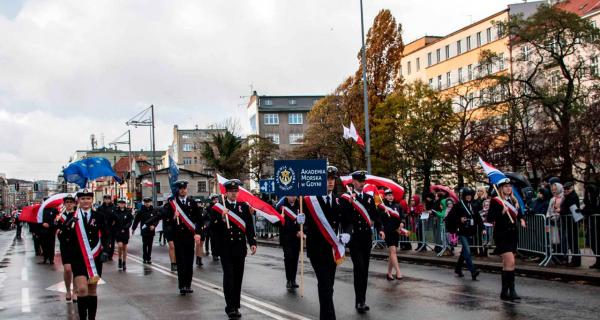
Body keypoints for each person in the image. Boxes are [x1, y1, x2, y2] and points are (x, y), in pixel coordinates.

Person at [300, 166, 352, 320]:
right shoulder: (309, 200)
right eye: (327, 179)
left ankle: (325, 316)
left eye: (332, 179)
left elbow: (348, 222)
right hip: (317, 249)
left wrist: (347, 234)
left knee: (329, 286)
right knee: (325, 285)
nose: (330, 182)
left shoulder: (339, 200)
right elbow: (304, 221)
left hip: (332, 250)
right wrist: (300, 221)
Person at [210, 179, 257, 319]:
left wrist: (252, 242)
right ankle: (230, 307)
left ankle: (236, 305)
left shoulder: (243, 207)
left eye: (236, 191)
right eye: (231, 191)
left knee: (238, 278)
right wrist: (222, 219)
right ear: (226, 192)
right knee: (229, 277)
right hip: (226, 249)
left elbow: (249, 227)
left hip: (240, 248)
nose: (234, 194)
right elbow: (212, 229)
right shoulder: (218, 208)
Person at [149, 180, 203, 295]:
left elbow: (198, 220)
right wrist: (174, 217)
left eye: (184, 188)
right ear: (178, 190)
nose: (183, 190)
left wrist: (198, 233)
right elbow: (166, 221)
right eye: (181, 188)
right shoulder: (172, 204)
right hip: (178, 237)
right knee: (181, 262)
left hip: (189, 237)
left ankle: (188, 285)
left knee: (189, 262)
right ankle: (182, 285)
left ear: (186, 189)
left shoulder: (192, 203)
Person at [63, 189, 110, 319]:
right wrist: (68, 224)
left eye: (88, 198)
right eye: (83, 199)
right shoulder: (72, 216)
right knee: (82, 289)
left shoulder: (99, 216)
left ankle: (92, 318)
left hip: (95, 258)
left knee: (92, 290)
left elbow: (106, 235)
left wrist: (105, 250)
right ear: (78, 200)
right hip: (78, 258)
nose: (85, 201)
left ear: (92, 200)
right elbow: (63, 237)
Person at [342, 170, 382, 314]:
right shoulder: (347, 198)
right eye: (359, 181)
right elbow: (344, 217)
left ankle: (362, 300)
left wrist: (380, 228)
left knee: (364, 270)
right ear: (353, 182)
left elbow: (375, 215)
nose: (362, 183)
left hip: (366, 238)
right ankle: (358, 301)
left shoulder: (368, 198)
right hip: (354, 239)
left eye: (363, 181)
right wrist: (350, 203)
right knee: (358, 268)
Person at [487, 179, 527, 301]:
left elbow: (518, 214)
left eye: (510, 186)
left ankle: (504, 292)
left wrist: (521, 219)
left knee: (506, 264)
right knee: (511, 262)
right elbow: (490, 218)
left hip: (512, 235)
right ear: (501, 188)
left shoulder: (513, 200)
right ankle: (512, 290)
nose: (509, 188)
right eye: (506, 186)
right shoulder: (496, 201)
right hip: (501, 235)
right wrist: (501, 212)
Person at [449, 187, 481, 280]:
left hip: (470, 231)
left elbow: (478, 218)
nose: (468, 197)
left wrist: (482, 228)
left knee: (464, 252)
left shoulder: (473, 205)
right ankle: (473, 271)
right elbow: (451, 217)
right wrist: (459, 219)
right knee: (467, 251)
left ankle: (458, 269)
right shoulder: (458, 205)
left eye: (470, 195)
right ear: (464, 196)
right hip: (462, 231)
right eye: (467, 195)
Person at [378, 188, 405, 280]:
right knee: (393, 251)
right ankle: (398, 272)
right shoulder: (381, 206)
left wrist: (402, 223)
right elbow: (379, 220)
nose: (390, 197)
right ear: (385, 196)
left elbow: (402, 217)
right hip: (387, 231)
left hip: (396, 231)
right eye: (388, 195)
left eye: (391, 195)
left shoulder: (397, 206)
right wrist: (384, 213)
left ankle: (389, 273)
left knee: (391, 253)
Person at [276, 196, 302, 290]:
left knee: (295, 259)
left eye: (294, 195)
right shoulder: (281, 206)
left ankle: (293, 280)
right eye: (291, 195)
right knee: (288, 258)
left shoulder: (300, 205)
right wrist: (280, 219)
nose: (293, 197)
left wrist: (302, 231)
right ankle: (288, 280)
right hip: (286, 237)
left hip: (296, 237)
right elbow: (274, 222)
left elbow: (304, 222)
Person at [55, 194, 78, 302]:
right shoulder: (61, 217)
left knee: (76, 269)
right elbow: (58, 231)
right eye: (67, 202)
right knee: (68, 269)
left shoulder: (77, 215)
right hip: (65, 245)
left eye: (71, 202)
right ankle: (68, 290)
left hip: (76, 245)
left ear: (74, 203)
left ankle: (75, 292)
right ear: (64, 204)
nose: (69, 204)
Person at [561, 182, 581, 267]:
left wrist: (561, 211)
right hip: (570, 222)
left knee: (573, 242)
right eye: (564, 189)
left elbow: (571, 210)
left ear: (572, 188)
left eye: (567, 189)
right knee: (572, 242)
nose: (565, 190)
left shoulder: (572, 196)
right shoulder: (569, 196)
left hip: (572, 222)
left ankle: (576, 261)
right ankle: (575, 260)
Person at [132, 197, 158, 264]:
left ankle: (149, 258)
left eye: (148, 202)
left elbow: (156, 219)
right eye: (146, 202)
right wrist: (133, 228)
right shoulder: (141, 211)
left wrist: (154, 225)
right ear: (144, 203)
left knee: (150, 245)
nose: (147, 203)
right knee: (145, 244)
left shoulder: (153, 210)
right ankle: (144, 258)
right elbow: (136, 220)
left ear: (150, 202)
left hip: (151, 230)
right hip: (144, 230)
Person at [112, 199, 133, 270]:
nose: (122, 204)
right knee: (120, 246)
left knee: (125, 247)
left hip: (125, 231)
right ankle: (119, 259)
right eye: (120, 203)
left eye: (123, 203)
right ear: (118, 204)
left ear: (125, 204)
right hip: (118, 231)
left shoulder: (128, 212)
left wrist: (126, 227)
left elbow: (130, 221)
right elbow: (112, 221)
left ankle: (124, 262)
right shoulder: (115, 212)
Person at [582, 184, 599, 269]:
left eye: (589, 192)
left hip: (597, 223)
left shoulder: (597, 199)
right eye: (587, 192)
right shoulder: (588, 200)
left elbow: (595, 209)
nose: (588, 194)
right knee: (591, 241)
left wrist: (586, 211)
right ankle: (598, 260)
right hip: (591, 223)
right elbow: (587, 208)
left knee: (596, 242)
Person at [40, 198, 59, 264]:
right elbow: (37, 219)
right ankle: (45, 258)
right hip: (43, 230)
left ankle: (51, 259)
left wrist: (50, 225)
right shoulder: (41, 210)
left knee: (51, 245)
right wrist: (42, 223)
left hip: (51, 230)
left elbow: (57, 220)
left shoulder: (54, 210)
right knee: (44, 245)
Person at [97, 195, 115, 261]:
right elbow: (97, 216)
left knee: (111, 242)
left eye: (108, 199)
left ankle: (110, 255)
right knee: (104, 242)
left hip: (111, 227)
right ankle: (104, 254)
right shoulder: (100, 208)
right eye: (105, 199)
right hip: (103, 227)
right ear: (103, 200)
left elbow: (116, 216)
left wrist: (114, 221)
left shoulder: (114, 207)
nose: (107, 200)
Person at [204, 194, 220, 261]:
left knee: (218, 241)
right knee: (212, 240)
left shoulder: (220, 206)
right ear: (212, 200)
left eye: (217, 200)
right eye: (215, 200)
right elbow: (205, 216)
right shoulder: (209, 207)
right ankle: (213, 254)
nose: (216, 201)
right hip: (211, 226)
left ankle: (218, 253)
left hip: (218, 226)